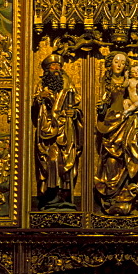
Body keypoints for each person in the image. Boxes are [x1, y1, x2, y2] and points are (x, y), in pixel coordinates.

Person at [94, 51, 138, 215]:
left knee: (128, 158)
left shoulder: (129, 82)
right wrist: (101, 107)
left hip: (128, 122)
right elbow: (103, 102)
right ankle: (111, 194)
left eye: (122, 63)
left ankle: (126, 194)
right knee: (111, 159)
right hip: (111, 123)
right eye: (116, 61)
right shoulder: (105, 81)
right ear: (110, 64)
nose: (119, 65)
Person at [31, 54, 83, 209]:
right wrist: (40, 98)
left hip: (65, 129)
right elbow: (35, 105)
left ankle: (63, 195)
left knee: (67, 161)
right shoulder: (42, 84)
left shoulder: (68, 84)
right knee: (51, 161)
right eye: (53, 66)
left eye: (58, 66)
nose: (56, 69)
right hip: (47, 129)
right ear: (47, 69)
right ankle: (50, 194)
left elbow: (76, 105)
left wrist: (74, 113)